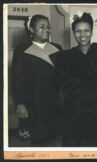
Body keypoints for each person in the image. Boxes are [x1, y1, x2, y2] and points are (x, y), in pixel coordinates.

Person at [55, 12, 97, 147]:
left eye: (86, 30)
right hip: (77, 115)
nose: (82, 35)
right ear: (73, 32)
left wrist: (92, 91)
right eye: (78, 31)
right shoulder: (65, 57)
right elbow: (61, 86)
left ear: (92, 32)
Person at [12, 14, 63, 147]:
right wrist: (20, 103)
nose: (46, 30)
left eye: (48, 27)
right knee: (36, 141)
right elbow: (16, 78)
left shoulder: (57, 48)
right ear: (32, 29)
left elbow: (63, 77)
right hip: (32, 103)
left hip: (54, 103)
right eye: (42, 27)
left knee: (53, 139)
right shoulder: (21, 49)